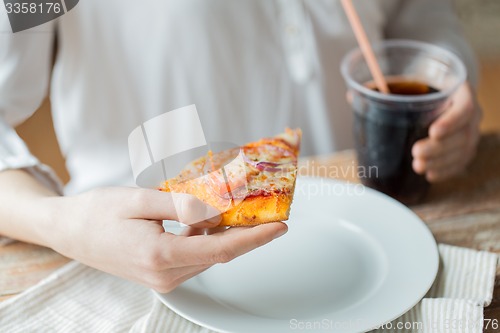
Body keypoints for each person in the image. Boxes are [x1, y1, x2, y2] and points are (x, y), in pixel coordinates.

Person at [0, 0, 481, 293]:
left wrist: (447, 87)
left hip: (364, 241)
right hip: (133, 268)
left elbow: (418, 17)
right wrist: (60, 221)